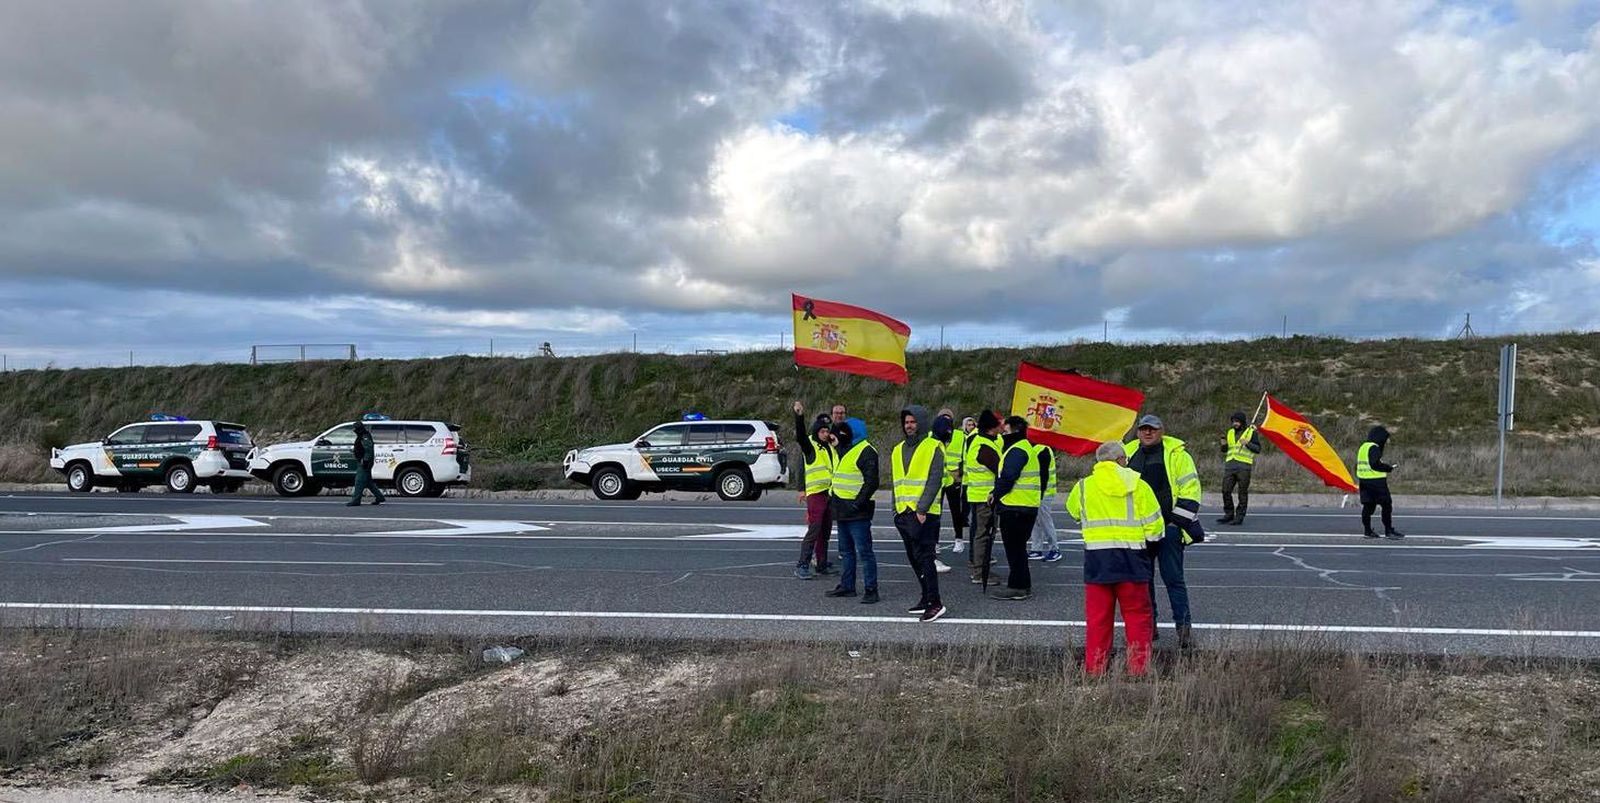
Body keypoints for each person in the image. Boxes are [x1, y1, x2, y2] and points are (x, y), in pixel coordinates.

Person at [1065, 441, 1165, 676]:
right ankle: (1139, 670)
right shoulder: (1139, 485)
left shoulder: (1082, 487)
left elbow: (1073, 512)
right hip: (1132, 560)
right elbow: (1155, 530)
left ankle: (1096, 670)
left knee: (1098, 620)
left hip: (1098, 562)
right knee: (1138, 619)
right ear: (1122, 460)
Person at [1124, 415, 1201, 649]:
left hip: (1169, 530)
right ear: (1137, 432)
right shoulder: (1126, 455)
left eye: (1153, 429)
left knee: (1174, 580)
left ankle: (1184, 629)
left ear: (1162, 431)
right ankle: (1150, 627)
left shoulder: (1179, 456)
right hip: (1139, 532)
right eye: (1143, 429)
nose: (1148, 433)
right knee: (1143, 582)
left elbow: (1191, 491)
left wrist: (1176, 524)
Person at [891, 406, 948, 622]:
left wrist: (922, 509)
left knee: (926, 558)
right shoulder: (897, 450)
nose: (909, 425)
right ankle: (925, 597)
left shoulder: (933, 446)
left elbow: (935, 480)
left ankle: (935, 602)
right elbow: (898, 484)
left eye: (913, 421)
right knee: (914, 558)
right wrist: (895, 511)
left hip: (924, 513)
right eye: (906, 422)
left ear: (922, 423)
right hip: (903, 513)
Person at [826, 417, 880, 604]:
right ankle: (847, 586)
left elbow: (872, 482)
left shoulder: (866, 451)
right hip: (843, 509)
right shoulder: (846, 447)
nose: (842, 433)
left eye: (846, 430)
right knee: (846, 551)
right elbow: (833, 437)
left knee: (865, 552)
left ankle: (871, 589)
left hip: (857, 511)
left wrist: (858, 503)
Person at [989, 416, 1042, 600]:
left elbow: (1009, 477)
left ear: (1014, 431)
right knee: (1018, 548)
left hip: (1016, 507)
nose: (1003, 432)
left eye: (1006, 430)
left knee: (1015, 549)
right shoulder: (1024, 447)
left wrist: (995, 494)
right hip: (1025, 506)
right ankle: (1021, 583)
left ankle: (1018, 587)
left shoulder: (1017, 450)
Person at [792, 401, 836, 579]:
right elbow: (801, 436)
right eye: (822, 431)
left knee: (825, 531)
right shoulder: (811, 447)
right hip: (816, 493)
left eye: (827, 431)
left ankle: (822, 563)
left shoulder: (830, 448)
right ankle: (802, 564)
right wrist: (799, 416)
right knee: (814, 529)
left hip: (829, 494)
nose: (825, 434)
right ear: (817, 432)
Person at [964, 410, 1004, 585]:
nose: (1000, 427)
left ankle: (980, 568)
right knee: (983, 534)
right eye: (997, 425)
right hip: (985, 498)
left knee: (982, 533)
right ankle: (979, 572)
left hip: (980, 496)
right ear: (991, 428)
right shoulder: (985, 446)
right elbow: (1000, 469)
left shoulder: (981, 442)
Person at [1356, 425, 1404, 539]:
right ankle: (1388, 530)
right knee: (1386, 505)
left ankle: (1367, 531)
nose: (1386, 442)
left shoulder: (1363, 447)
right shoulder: (1374, 447)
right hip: (1376, 482)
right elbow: (1374, 464)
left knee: (1368, 507)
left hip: (1364, 481)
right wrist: (1388, 468)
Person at [1217, 411, 1261, 526]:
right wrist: (1223, 444)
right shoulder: (1230, 432)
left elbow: (1257, 449)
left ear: (1242, 422)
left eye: (1237, 421)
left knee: (1242, 493)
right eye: (1233, 421)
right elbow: (1226, 450)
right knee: (1225, 490)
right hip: (1230, 466)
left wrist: (1247, 443)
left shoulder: (1251, 432)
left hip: (1244, 467)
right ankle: (1229, 514)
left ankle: (1239, 517)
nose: (1235, 423)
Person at [935, 409, 968, 556]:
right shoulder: (932, 435)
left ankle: (959, 539)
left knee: (956, 511)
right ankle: (935, 542)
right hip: (938, 479)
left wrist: (960, 473)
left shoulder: (960, 436)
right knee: (936, 512)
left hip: (953, 478)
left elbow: (966, 455)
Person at [1027, 444, 1062, 562]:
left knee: (1044, 521)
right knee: (1036, 521)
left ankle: (1054, 549)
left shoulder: (1042, 449)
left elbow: (1043, 475)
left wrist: (1039, 494)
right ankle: (1036, 549)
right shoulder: (1036, 448)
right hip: (1038, 492)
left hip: (1043, 493)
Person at [346, 421, 385, 507]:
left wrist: (365, 460)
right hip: (364, 460)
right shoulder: (362, 435)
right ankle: (380, 497)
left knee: (359, 481)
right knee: (368, 482)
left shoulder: (364, 436)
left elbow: (368, 449)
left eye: (355, 428)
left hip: (364, 462)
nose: (354, 430)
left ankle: (356, 500)